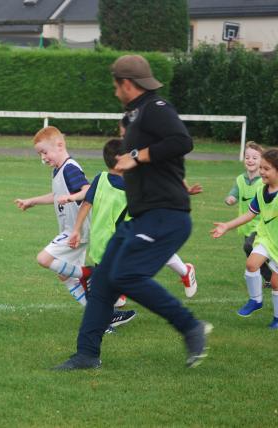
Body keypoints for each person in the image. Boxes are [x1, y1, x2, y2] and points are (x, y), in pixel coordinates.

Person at [54, 54, 211, 371]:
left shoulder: (156, 109)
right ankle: (86, 355)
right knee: (102, 282)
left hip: (166, 215)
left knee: (127, 275)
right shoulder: (136, 115)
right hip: (140, 217)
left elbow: (182, 141)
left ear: (127, 84)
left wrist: (136, 155)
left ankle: (191, 327)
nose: (114, 92)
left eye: (116, 86)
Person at [14, 126, 136, 330]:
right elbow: (56, 196)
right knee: (65, 275)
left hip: (77, 231)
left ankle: (88, 273)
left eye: (44, 152)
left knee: (44, 259)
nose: (43, 157)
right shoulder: (58, 170)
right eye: (40, 154)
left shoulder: (70, 168)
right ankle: (103, 319)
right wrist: (32, 201)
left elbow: (87, 190)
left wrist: (73, 204)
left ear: (60, 145)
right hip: (74, 231)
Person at [65, 139, 198, 299]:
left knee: (155, 249)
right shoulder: (101, 179)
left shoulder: (137, 183)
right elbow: (86, 203)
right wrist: (76, 230)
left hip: (129, 237)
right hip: (102, 241)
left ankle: (185, 271)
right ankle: (117, 289)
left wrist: (183, 192)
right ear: (121, 160)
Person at [211, 148, 278, 329]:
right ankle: (256, 300)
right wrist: (227, 225)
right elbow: (249, 214)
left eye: (266, 169)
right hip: (265, 237)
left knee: (276, 282)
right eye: (261, 168)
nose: (261, 172)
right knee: (251, 264)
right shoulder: (261, 191)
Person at [224, 142, 272, 288]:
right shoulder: (240, 179)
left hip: (262, 224)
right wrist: (231, 199)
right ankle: (270, 278)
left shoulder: (264, 182)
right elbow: (235, 192)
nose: (250, 160)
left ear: (261, 161)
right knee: (251, 252)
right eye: (247, 157)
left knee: (248, 246)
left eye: (254, 158)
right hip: (246, 225)